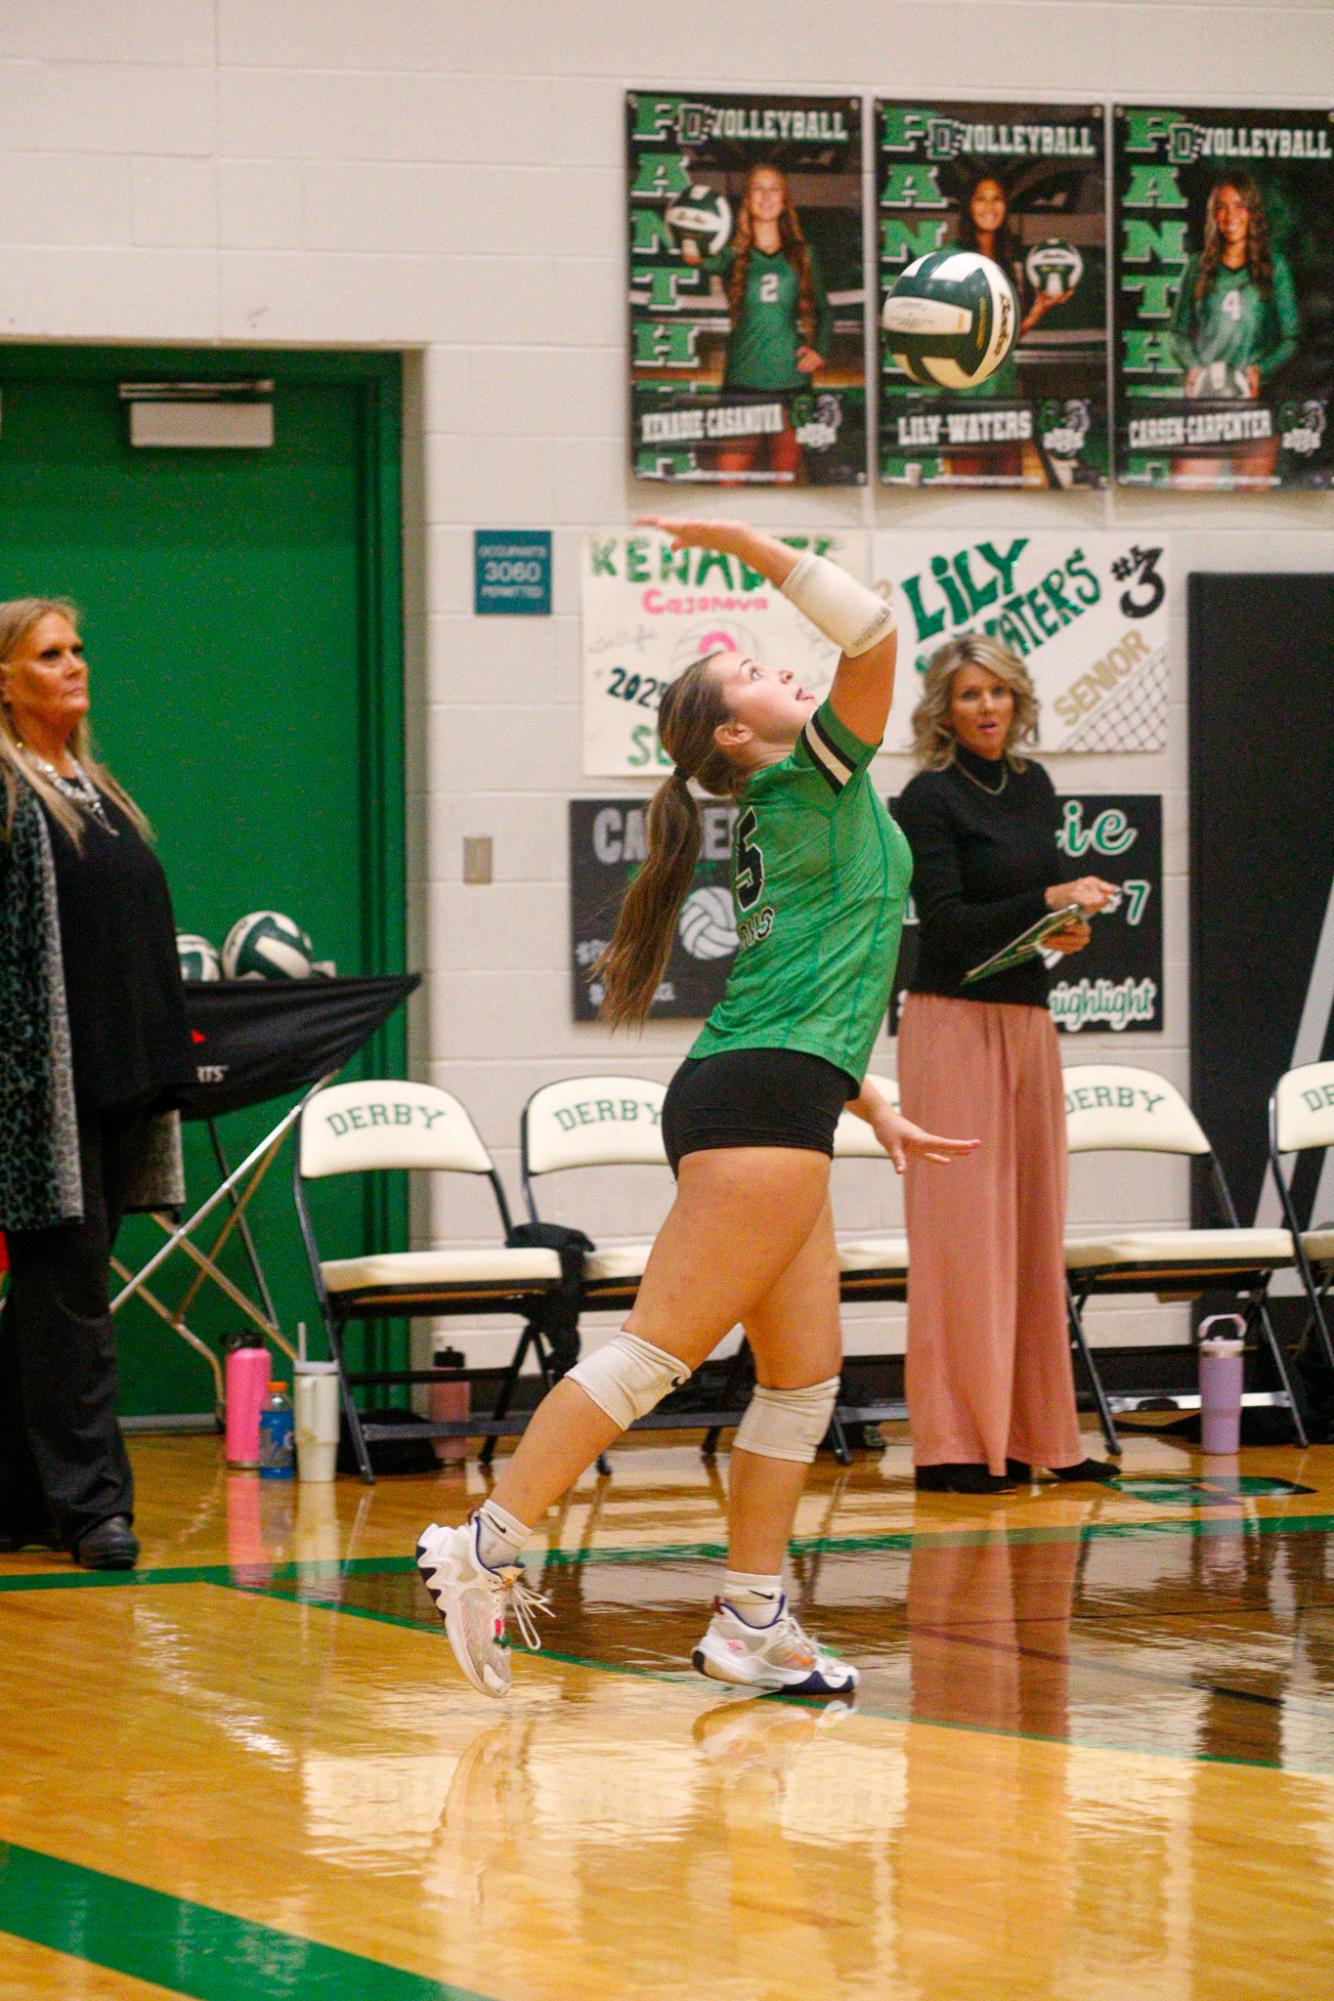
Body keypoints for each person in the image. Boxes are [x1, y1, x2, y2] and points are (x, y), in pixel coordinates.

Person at [417, 519, 977, 1698]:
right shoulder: (808, 773)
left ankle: (751, 1620)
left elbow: (802, 979)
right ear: (738, 733)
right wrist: (745, 543)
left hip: (777, 1089)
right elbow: (873, 635)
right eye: (760, 676)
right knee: (653, 1354)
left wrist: (865, 1098)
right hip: (757, 1102)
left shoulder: (801, 801)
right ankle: (484, 1542)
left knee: (802, 1379)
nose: (788, 673)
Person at [892, 634, 1118, 1495]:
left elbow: (1032, 898)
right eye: (968, 694)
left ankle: (1039, 1437)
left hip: (1027, 1019)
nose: (986, 707)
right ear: (943, 711)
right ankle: (953, 1443)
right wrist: (1047, 899)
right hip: (950, 1020)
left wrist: (1064, 924)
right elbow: (944, 923)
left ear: (1017, 700)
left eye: (997, 692)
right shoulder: (927, 796)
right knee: (960, 1237)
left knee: (1032, 1227)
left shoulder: (1033, 786)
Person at [0, 599, 191, 1569]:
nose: (75, 665)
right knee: (68, 1291)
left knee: (49, 1297)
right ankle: (93, 1509)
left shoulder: (96, 783)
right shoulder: (5, 790)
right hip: (40, 1086)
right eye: (49, 654)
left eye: (78, 649)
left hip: (120, 1072)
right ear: (4, 680)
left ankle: (19, 1497)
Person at [681, 164, 833, 483]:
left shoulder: (803, 254)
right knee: (728, 481)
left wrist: (819, 350)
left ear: (785, 199)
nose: (766, 196)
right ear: (747, 199)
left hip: (790, 382)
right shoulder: (731, 255)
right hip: (743, 380)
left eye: (774, 188)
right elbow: (692, 254)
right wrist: (686, 224)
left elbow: (825, 310)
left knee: (786, 481)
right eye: (757, 189)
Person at [1169, 174, 1298, 487]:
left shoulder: (1274, 267)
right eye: (1222, 208)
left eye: (1239, 206)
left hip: (1257, 402)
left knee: (1253, 497)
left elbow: (1291, 338)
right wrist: (1195, 368)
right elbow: (1178, 333)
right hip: (1206, 400)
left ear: (1252, 212)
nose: (1230, 216)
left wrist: (1260, 370)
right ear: (1214, 215)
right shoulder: (1197, 267)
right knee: (1187, 491)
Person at [945, 171, 1074, 483]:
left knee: (1008, 496)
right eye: (981, 198)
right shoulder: (949, 256)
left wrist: (1034, 314)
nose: (990, 207)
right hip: (965, 400)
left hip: (1004, 397)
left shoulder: (1006, 259)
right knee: (968, 502)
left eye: (997, 199)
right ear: (968, 207)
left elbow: (1002, 337)